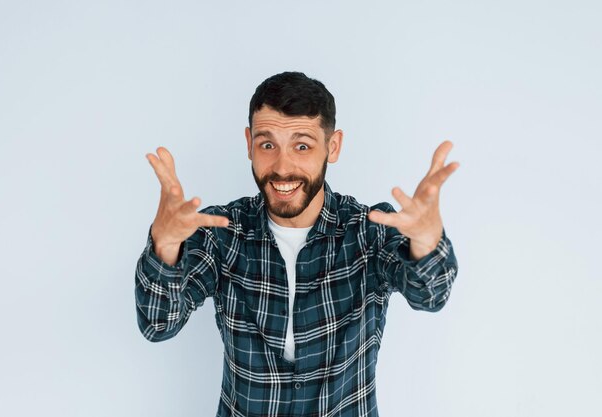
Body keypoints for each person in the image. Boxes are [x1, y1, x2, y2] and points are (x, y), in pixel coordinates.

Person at [135, 71, 459, 417]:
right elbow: (158, 323)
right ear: (249, 144)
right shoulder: (221, 233)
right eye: (267, 144)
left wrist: (426, 242)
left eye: (302, 145)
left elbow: (431, 295)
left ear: (332, 147)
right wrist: (165, 244)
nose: (282, 167)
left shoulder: (370, 232)